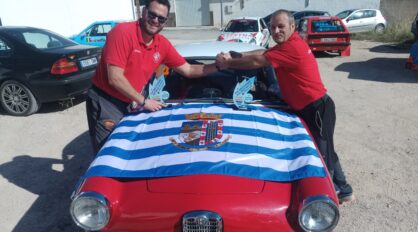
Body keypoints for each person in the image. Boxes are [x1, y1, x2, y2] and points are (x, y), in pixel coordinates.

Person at [215, 9, 354, 204]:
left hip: (317, 108)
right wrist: (235, 53)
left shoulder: (292, 48)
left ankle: (326, 201)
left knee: (321, 154)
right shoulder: (287, 45)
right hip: (308, 107)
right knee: (326, 149)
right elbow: (262, 53)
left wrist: (229, 63)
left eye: (281, 26)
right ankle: (345, 190)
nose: (276, 30)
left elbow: (258, 61)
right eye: (272, 27)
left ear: (292, 27)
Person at [87, 0, 218, 154]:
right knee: (109, 152)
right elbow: (114, 77)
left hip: (132, 101)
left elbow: (188, 70)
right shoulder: (122, 33)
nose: (155, 21)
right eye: (152, 15)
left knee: (131, 150)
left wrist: (218, 66)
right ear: (143, 12)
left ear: (165, 22)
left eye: (161, 18)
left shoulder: (162, 44)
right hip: (108, 101)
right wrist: (143, 101)